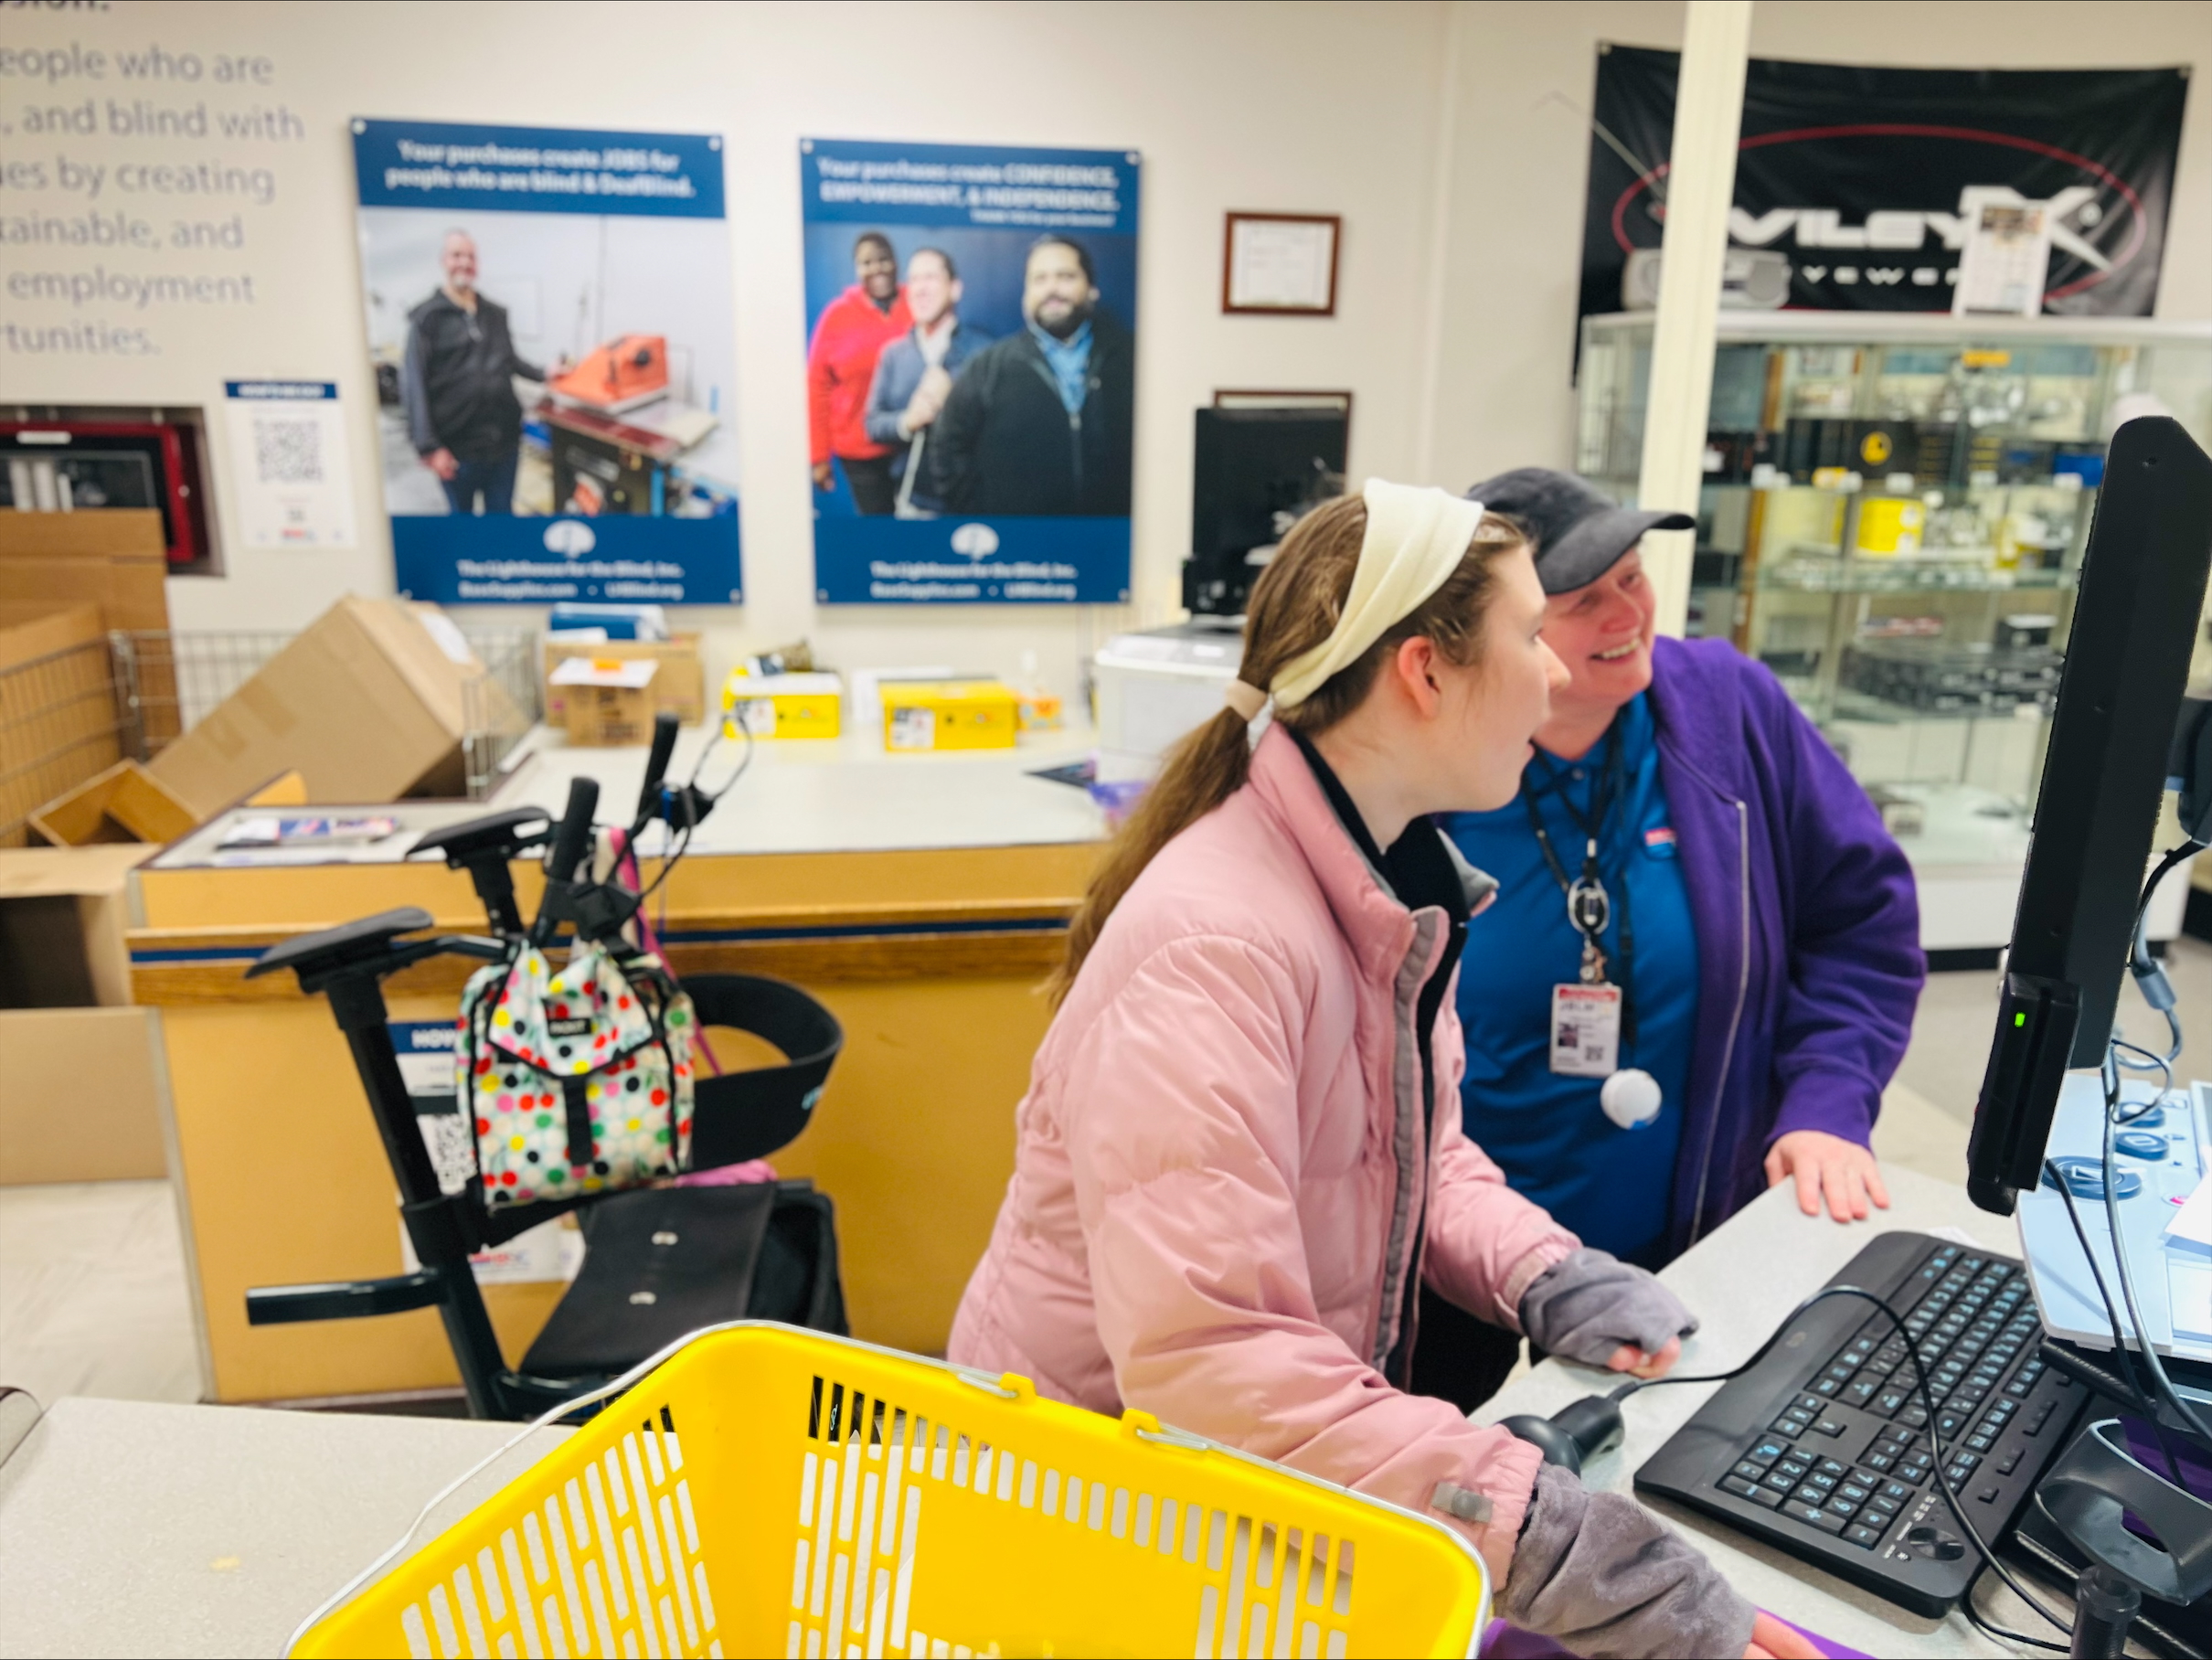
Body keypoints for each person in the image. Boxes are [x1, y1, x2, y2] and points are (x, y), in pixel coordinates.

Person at [951, 479, 1818, 1660]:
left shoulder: (1381, 882)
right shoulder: (1216, 947)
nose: (1558, 674)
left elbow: (1409, 1151)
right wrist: (1554, 1544)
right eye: (1528, 635)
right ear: (1425, 672)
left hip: (1224, 1483)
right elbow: (1216, 1360)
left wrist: (1544, 1272)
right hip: (1097, 1527)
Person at [1417, 467, 1923, 1410]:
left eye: (1633, 576)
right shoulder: (1425, 764)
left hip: (1694, 1241)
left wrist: (1826, 1098)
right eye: (1579, 599)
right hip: (1453, 1262)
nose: (1626, 613)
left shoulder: (1726, 710)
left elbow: (1860, 925)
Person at [929, 235, 1133, 516]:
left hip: (1110, 545)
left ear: (1091, 288)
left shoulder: (1133, 359)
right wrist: (983, 514)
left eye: (1066, 276)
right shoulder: (987, 367)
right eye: (1040, 279)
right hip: (1020, 551)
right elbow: (947, 448)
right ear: (1026, 294)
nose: (1052, 288)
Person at [402, 229, 548, 516]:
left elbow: (511, 360)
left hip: (504, 444)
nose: (465, 262)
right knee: (463, 522)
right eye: (457, 255)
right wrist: (428, 446)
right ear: (444, 261)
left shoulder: (494, 314)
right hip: (458, 450)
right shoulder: (427, 318)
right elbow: (413, 383)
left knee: (501, 517)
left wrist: (546, 373)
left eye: (471, 256)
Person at [861, 247, 992, 516]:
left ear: (955, 289)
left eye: (930, 277)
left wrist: (954, 399)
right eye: (914, 280)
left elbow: (1004, 431)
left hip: (974, 504)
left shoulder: (986, 353)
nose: (920, 289)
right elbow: (872, 423)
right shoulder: (893, 354)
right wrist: (908, 420)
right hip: (912, 504)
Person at [806, 230, 911, 516]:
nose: (876, 268)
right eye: (866, 263)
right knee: (878, 536)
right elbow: (816, 386)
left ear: (896, 263)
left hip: (913, 444)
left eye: (883, 259)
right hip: (859, 452)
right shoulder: (836, 315)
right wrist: (818, 457)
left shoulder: (918, 304)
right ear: (856, 269)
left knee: (917, 534)